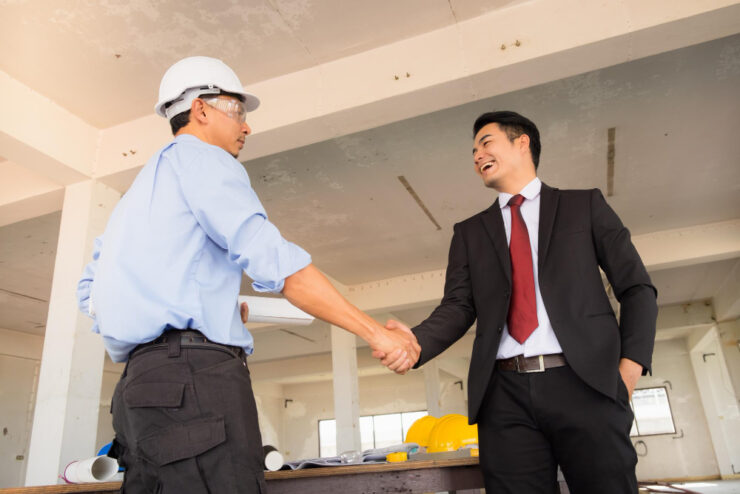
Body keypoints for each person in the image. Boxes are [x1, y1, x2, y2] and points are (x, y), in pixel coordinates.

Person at [76, 56, 419, 494]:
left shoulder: (134, 195)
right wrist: (376, 334)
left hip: (137, 395)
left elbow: (90, 293)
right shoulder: (204, 161)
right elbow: (275, 261)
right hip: (194, 384)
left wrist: (194, 304)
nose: (246, 127)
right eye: (238, 111)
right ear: (200, 110)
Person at [377, 111, 657, 493]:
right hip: (503, 395)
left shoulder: (584, 206)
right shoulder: (470, 233)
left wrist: (629, 370)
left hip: (587, 385)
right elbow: (458, 306)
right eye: (473, 150)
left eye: (485, 143)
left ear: (521, 142)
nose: (476, 155)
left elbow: (637, 287)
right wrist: (415, 343)